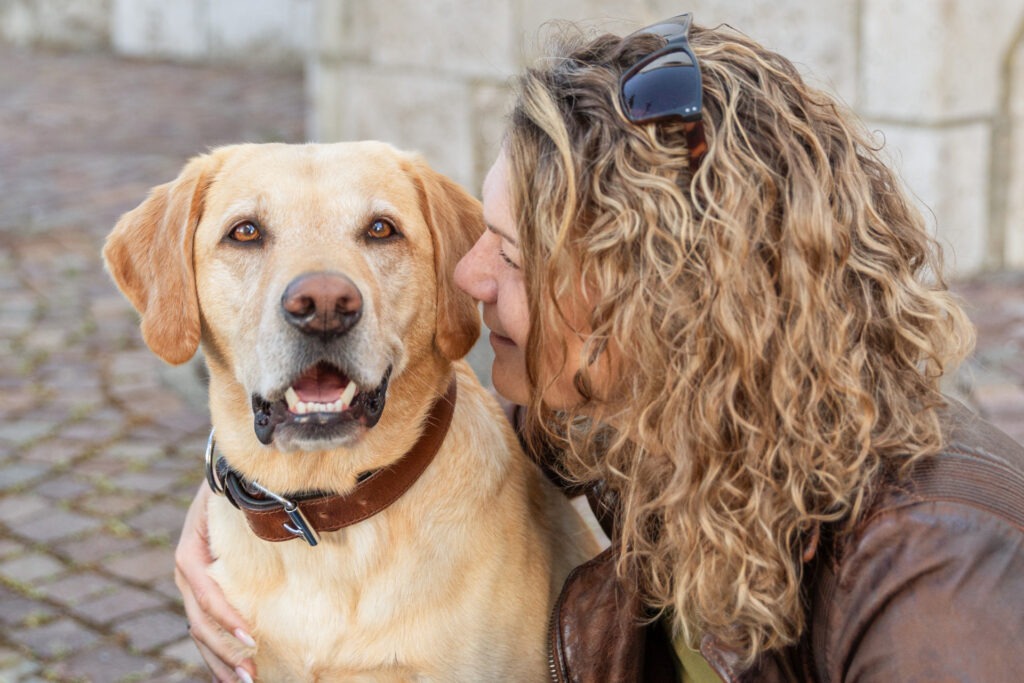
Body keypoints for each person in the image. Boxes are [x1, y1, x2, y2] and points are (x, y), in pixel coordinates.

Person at [176, 13, 1024, 682]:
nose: (465, 276)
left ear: (661, 297)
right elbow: (387, 439)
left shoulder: (935, 576)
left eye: (513, 253)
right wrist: (241, 502)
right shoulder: (630, 413)